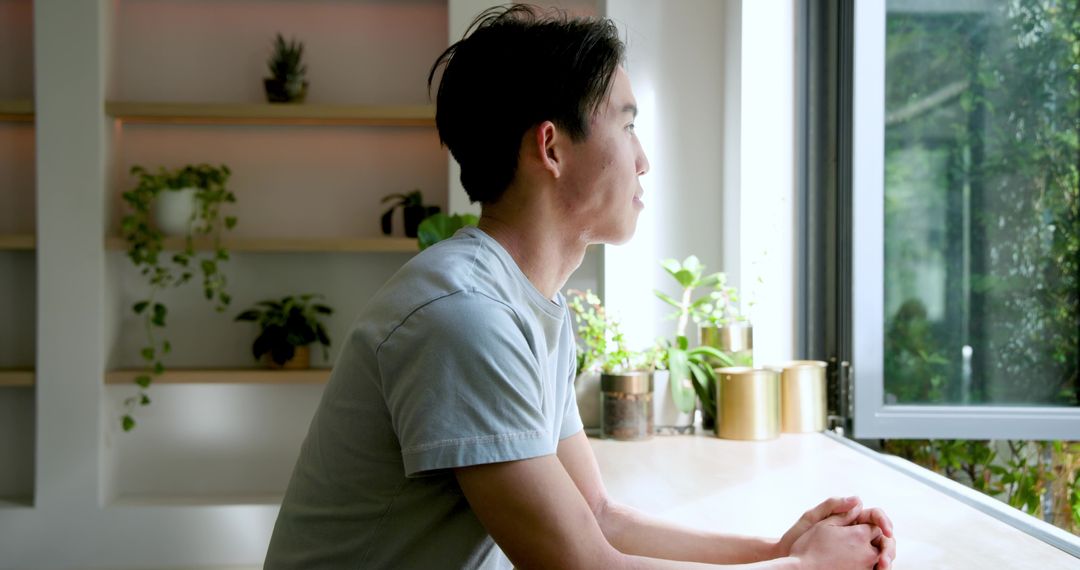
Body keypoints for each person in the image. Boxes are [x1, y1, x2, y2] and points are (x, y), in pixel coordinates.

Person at [264, 5, 897, 569]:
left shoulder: (525, 306)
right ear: (551, 147)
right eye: (626, 125)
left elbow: (597, 516)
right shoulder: (462, 318)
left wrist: (775, 551)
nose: (643, 158)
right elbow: (579, 564)